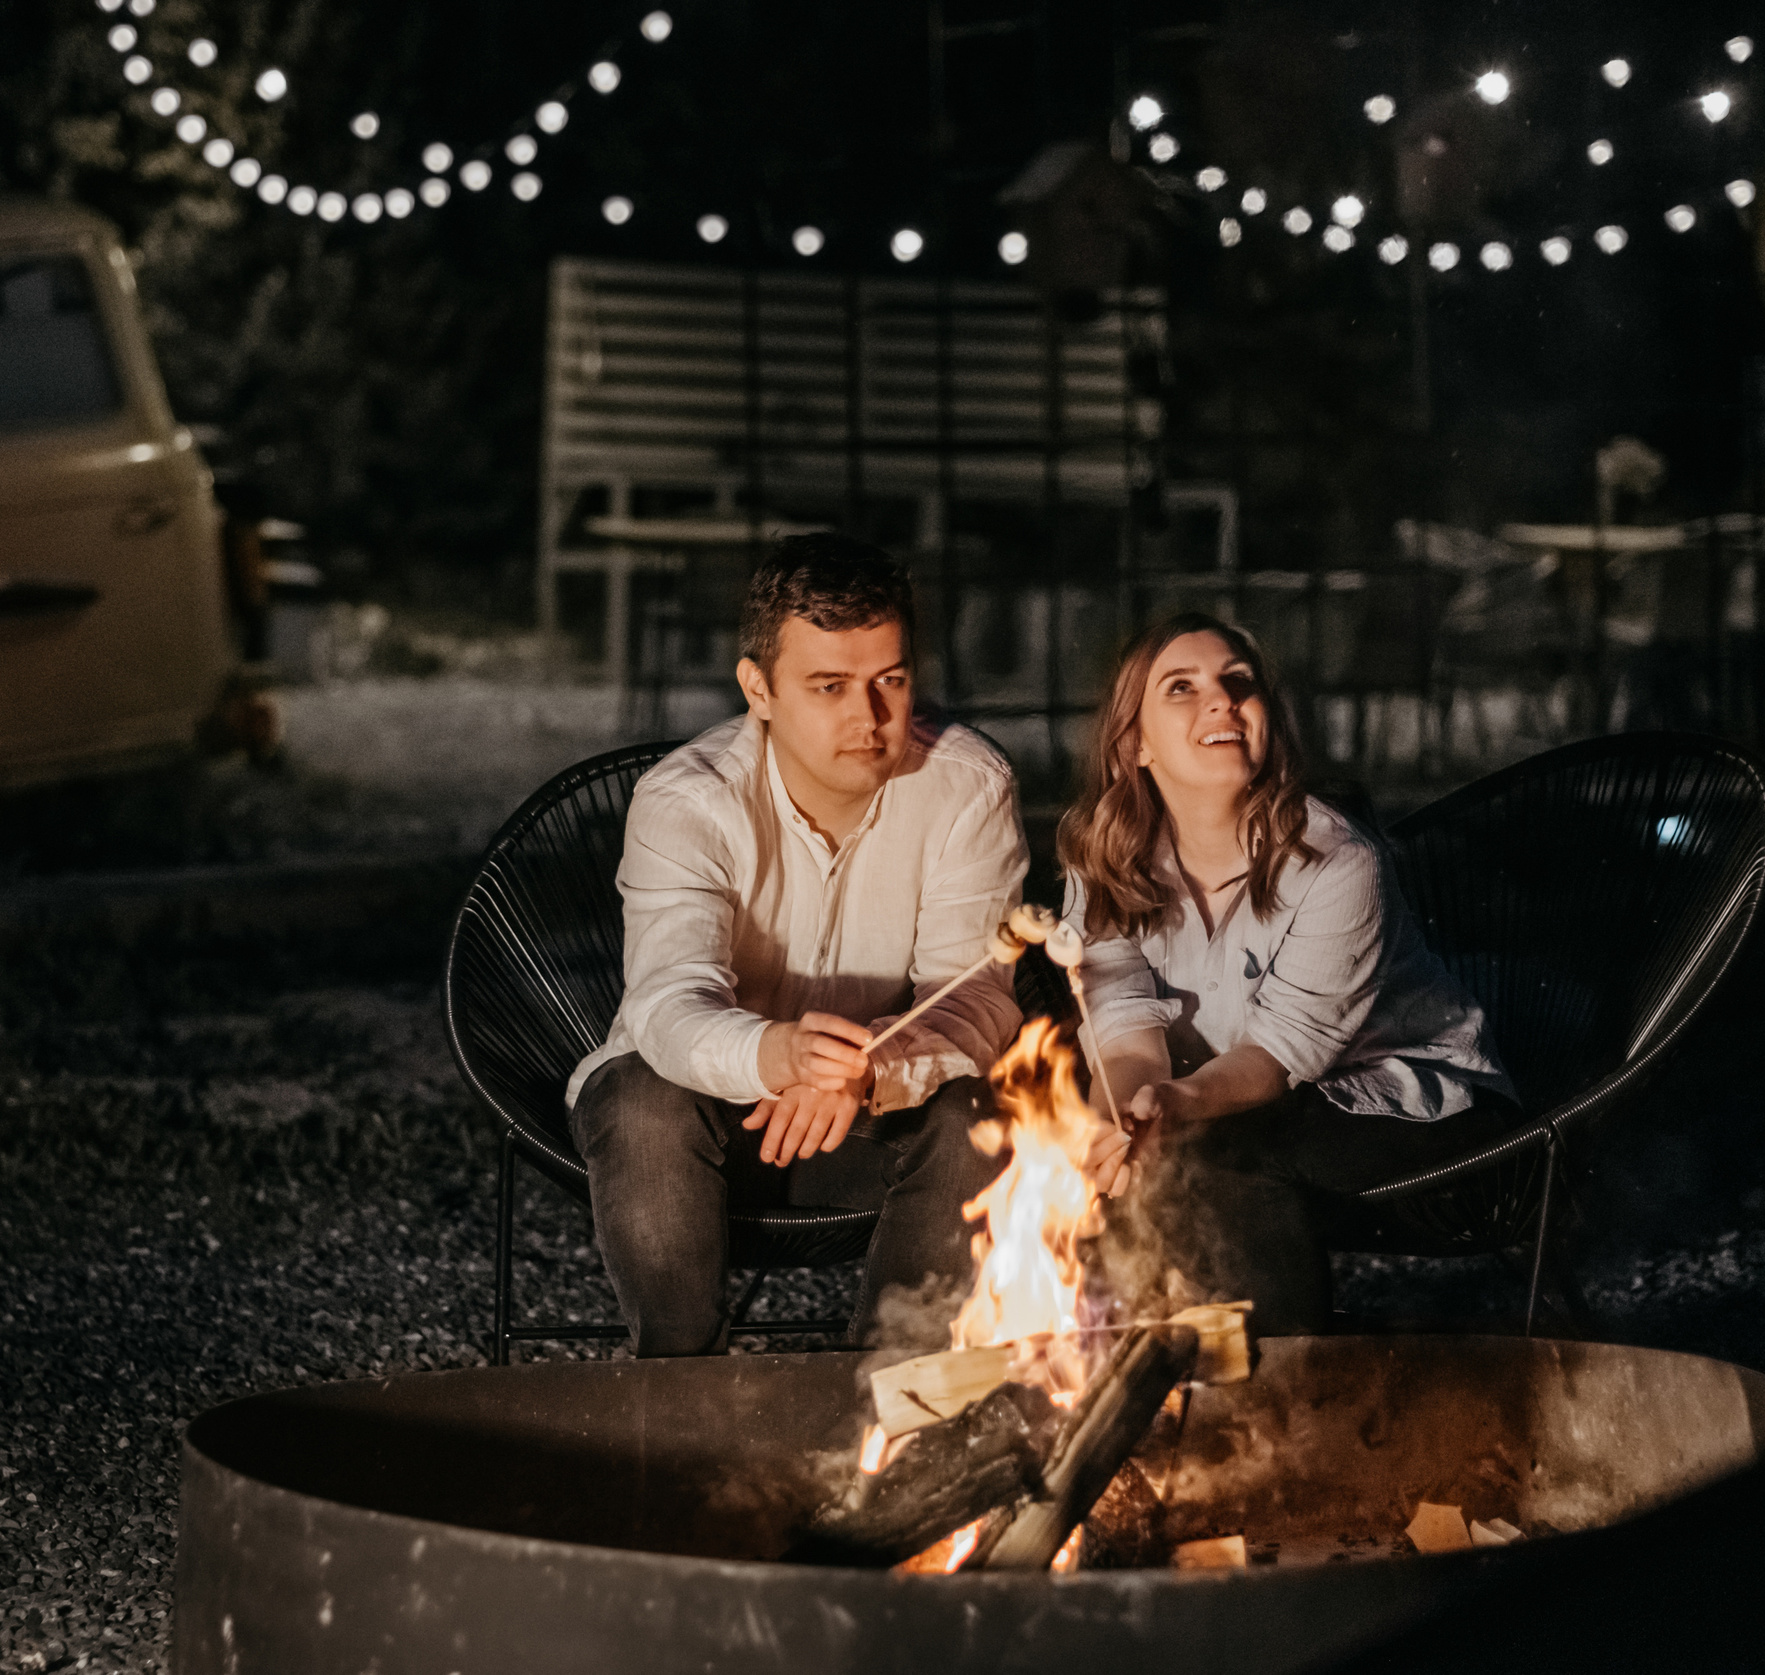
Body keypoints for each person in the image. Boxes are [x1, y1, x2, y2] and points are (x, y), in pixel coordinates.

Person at [566, 536, 1026, 1357]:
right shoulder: (689, 802)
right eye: (830, 686)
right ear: (759, 689)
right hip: (705, 1117)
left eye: (890, 680)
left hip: (878, 1115)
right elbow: (667, 1004)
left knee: (987, 1111)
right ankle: (683, 1395)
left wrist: (871, 1069)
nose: (871, 717)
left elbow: (975, 994)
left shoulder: (967, 786)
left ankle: (883, 1401)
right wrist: (780, 1055)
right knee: (638, 1101)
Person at [1061, 613, 1518, 1334]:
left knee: (1223, 1144)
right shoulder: (1107, 865)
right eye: (1182, 687)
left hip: (1425, 1106)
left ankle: (1282, 1384)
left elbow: (1277, 1056)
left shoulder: (1336, 862)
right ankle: (1137, 1355)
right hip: (1248, 1099)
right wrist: (1113, 1125)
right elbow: (1126, 1043)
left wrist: (1175, 1104)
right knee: (1108, 1144)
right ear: (1135, 743)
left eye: (1237, 683)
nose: (1220, 700)